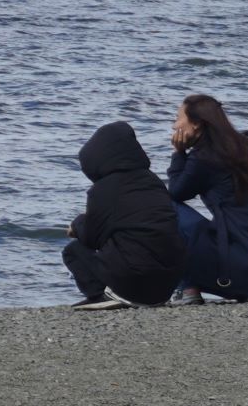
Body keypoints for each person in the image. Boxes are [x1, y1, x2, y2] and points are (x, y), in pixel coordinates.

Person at [166, 94, 248, 304]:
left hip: (245, 270)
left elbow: (176, 194)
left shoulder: (204, 157)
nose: (174, 126)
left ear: (197, 124)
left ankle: (187, 289)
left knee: (163, 208)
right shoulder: (246, 145)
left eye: (177, 118)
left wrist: (179, 152)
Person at [62, 122, 186, 309]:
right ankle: (133, 295)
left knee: (74, 251)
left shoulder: (103, 190)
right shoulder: (153, 181)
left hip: (134, 283)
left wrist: (77, 225)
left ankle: (101, 295)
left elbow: (91, 237)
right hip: (167, 285)